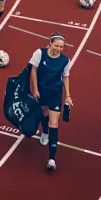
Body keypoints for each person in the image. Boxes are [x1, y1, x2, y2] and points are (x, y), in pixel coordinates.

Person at [24, 34, 74, 172]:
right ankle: (44, 132)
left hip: (55, 94)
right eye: (56, 46)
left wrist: (68, 96)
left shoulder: (65, 60)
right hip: (41, 91)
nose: (59, 49)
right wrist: (35, 89)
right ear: (50, 43)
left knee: (54, 123)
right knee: (43, 114)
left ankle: (52, 159)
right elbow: (33, 70)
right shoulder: (40, 53)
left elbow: (65, 77)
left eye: (61, 47)